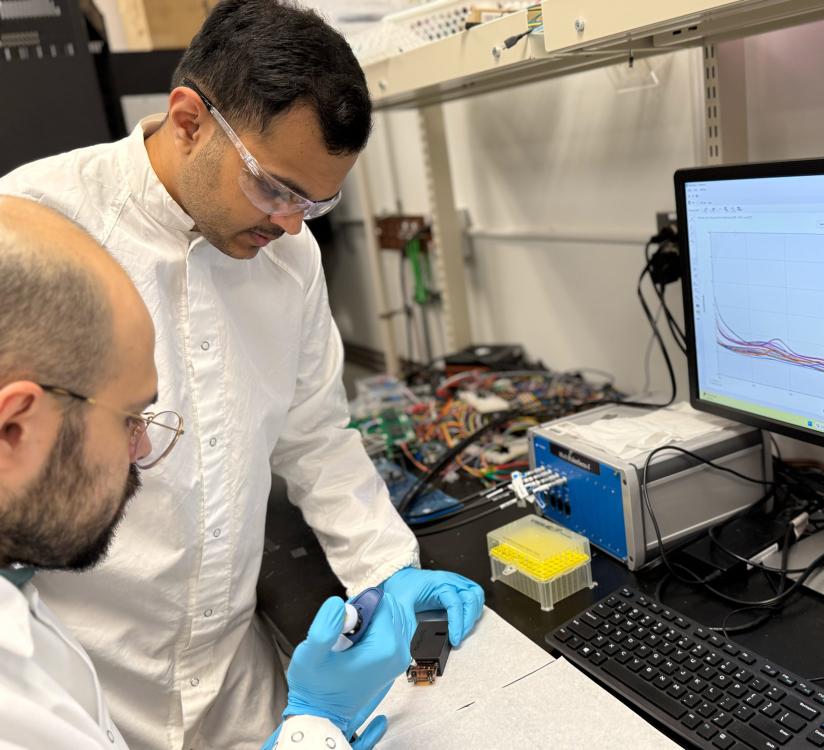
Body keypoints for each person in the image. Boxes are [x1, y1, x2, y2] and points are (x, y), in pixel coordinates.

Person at [0, 1, 484, 748]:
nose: (291, 223)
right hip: (87, 687)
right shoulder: (39, 229)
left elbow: (315, 434)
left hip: (235, 682)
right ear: (189, 119)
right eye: (275, 187)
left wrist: (387, 571)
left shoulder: (290, 258)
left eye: (316, 202)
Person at [0, 197, 414, 750]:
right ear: (14, 428)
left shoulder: (18, 596)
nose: (145, 446)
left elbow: (317, 433)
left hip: (230, 682)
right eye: (130, 418)